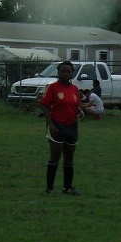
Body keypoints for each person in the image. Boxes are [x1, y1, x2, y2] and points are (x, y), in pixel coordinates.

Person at [40, 61, 83, 196]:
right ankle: (49, 188)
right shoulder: (52, 88)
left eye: (68, 71)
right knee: (55, 158)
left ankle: (67, 188)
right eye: (63, 71)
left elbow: (74, 104)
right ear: (58, 73)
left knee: (69, 159)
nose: (65, 74)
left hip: (71, 127)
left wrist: (79, 110)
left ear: (72, 73)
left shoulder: (75, 89)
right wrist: (51, 125)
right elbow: (44, 106)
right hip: (57, 126)